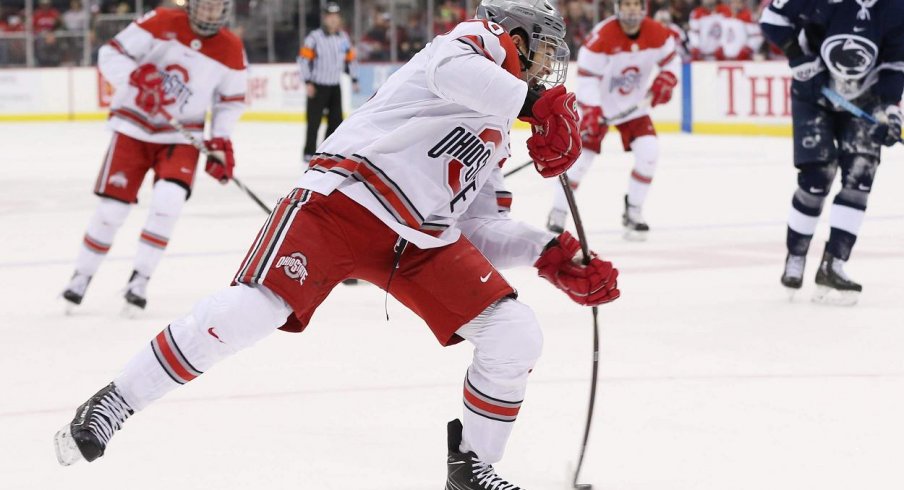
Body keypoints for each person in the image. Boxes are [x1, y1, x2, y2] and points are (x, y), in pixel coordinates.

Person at [53, 1, 619, 488]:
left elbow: (473, 226)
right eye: (543, 48)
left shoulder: (497, 136)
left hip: (419, 242)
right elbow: (454, 73)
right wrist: (532, 106)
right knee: (253, 311)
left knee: (513, 332)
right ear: (514, 34)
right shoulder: (473, 43)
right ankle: (117, 400)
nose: (550, 63)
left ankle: (472, 468)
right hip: (343, 202)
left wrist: (551, 253)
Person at [60, 0, 247, 314]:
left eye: (218, 7)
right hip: (133, 127)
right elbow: (110, 53)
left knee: (168, 202)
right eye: (206, 5)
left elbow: (230, 101)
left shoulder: (231, 48)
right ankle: (82, 275)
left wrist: (220, 140)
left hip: (180, 135)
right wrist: (135, 78)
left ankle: (139, 280)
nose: (211, 13)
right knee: (111, 211)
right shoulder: (162, 20)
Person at [761, 0, 904, 305]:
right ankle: (796, 254)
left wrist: (890, 109)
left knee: (860, 179)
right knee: (817, 176)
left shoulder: (896, 7)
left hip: (865, 98)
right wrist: (797, 57)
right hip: (814, 93)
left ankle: (834, 264)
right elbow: (771, 18)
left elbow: (895, 63)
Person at [545, 0, 680, 241]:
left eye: (635, 4)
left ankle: (634, 211)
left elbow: (671, 60)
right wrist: (593, 111)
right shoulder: (602, 37)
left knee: (649, 152)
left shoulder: (658, 32)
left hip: (634, 109)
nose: (631, 9)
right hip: (599, 107)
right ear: (618, 7)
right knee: (581, 161)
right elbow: (586, 78)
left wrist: (667, 78)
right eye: (626, 4)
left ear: (643, 8)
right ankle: (558, 210)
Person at [298, 2, 359, 163]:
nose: (333, 20)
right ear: (325, 18)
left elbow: (350, 59)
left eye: (336, 17)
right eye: (330, 17)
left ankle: (326, 150)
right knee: (314, 121)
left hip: (334, 86)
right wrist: (308, 81)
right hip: (318, 86)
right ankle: (309, 151)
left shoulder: (343, 38)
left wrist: (354, 78)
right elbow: (304, 60)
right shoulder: (314, 37)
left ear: (339, 19)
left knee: (336, 121)